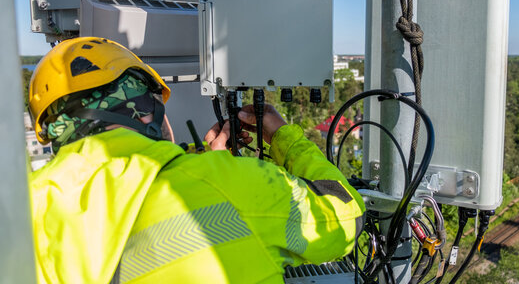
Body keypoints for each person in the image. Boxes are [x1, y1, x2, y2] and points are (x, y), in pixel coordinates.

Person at [28, 37, 365, 284]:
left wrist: (204, 166)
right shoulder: (235, 185)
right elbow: (346, 219)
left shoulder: (21, 207)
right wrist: (282, 138)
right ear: (148, 112)